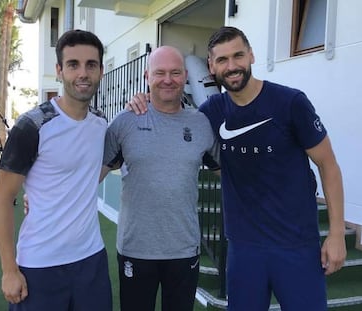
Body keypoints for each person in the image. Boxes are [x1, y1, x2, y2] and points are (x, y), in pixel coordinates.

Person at [130, 26, 347, 311]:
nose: (231, 66)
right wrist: (144, 99)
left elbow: (328, 165)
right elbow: (175, 120)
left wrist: (336, 234)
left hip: (296, 246)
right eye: (222, 60)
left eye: (238, 56)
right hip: (244, 250)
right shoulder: (210, 113)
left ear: (251, 56)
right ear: (211, 66)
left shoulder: (290, 103)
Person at [0, 29, 112, 311]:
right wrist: (9, 270)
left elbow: (96, 168)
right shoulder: (32, 126)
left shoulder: (101, 123)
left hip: (91, 260)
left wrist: (53, 193)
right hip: (40, 265)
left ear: (101, 71)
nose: (82, 73)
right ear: (59, 70)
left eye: (90, 65)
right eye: (73, 65)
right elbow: (1, 200)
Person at [101, 46, 219, 311]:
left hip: (184, 250)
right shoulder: (125, 122)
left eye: (175, 72)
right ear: (147, 76)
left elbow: (230, 172)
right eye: (160, 73)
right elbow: (91, 174)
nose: (168, 79)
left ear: (186, 75)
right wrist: (44, 196)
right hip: (136, 249)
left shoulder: (201, 124)